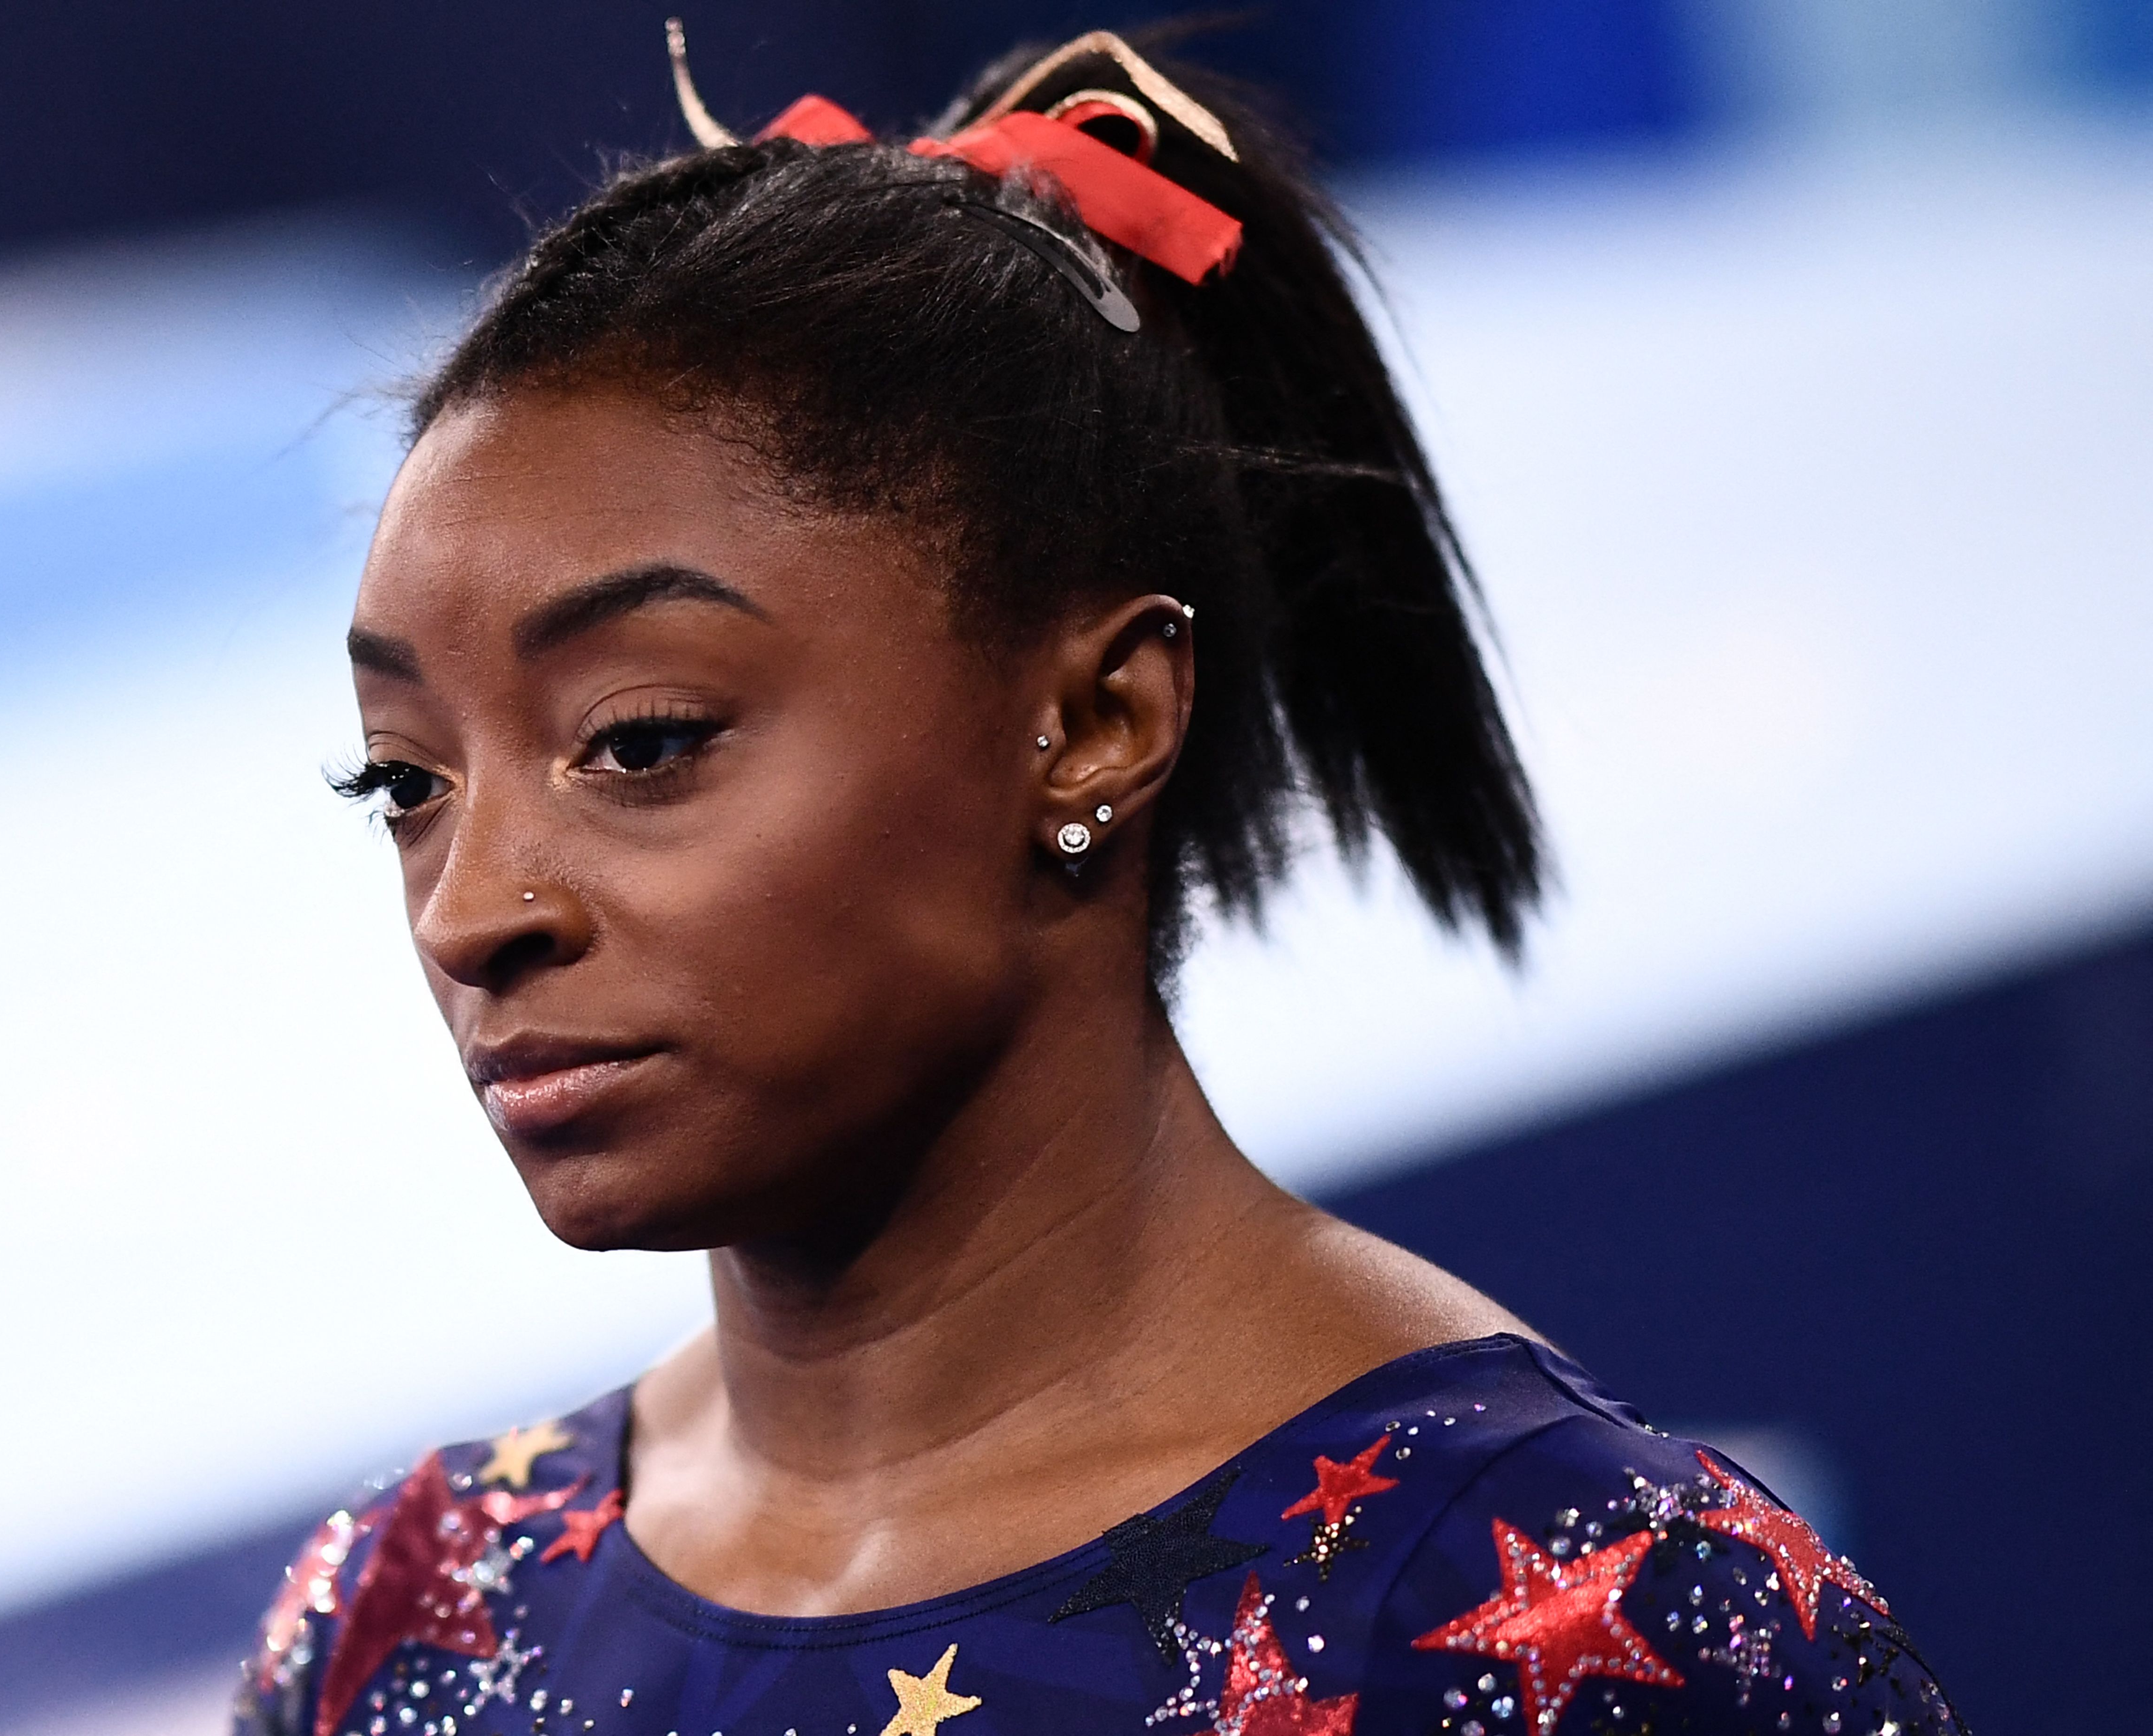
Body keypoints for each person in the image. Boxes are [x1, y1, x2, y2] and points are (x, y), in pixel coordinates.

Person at [234, 27, 1961, 1736]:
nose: (474, 913)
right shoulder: (412, 1621)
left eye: (644, 740)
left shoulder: (1548, 1623)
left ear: (1095, 722)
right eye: (403, 780)